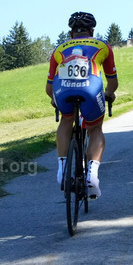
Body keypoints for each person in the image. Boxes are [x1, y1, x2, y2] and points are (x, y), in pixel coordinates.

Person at [47, 11, 117, 199]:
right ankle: (92, 177)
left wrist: (55, 99)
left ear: (71, 33)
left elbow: (49, 88)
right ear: (92, 31)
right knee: (95, 129)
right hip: (91, 88)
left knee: (66, 119)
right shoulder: (103, 46)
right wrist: (109, 95)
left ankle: (62, 170)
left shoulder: (59, 49)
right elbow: (112, 83)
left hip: (63, 89)